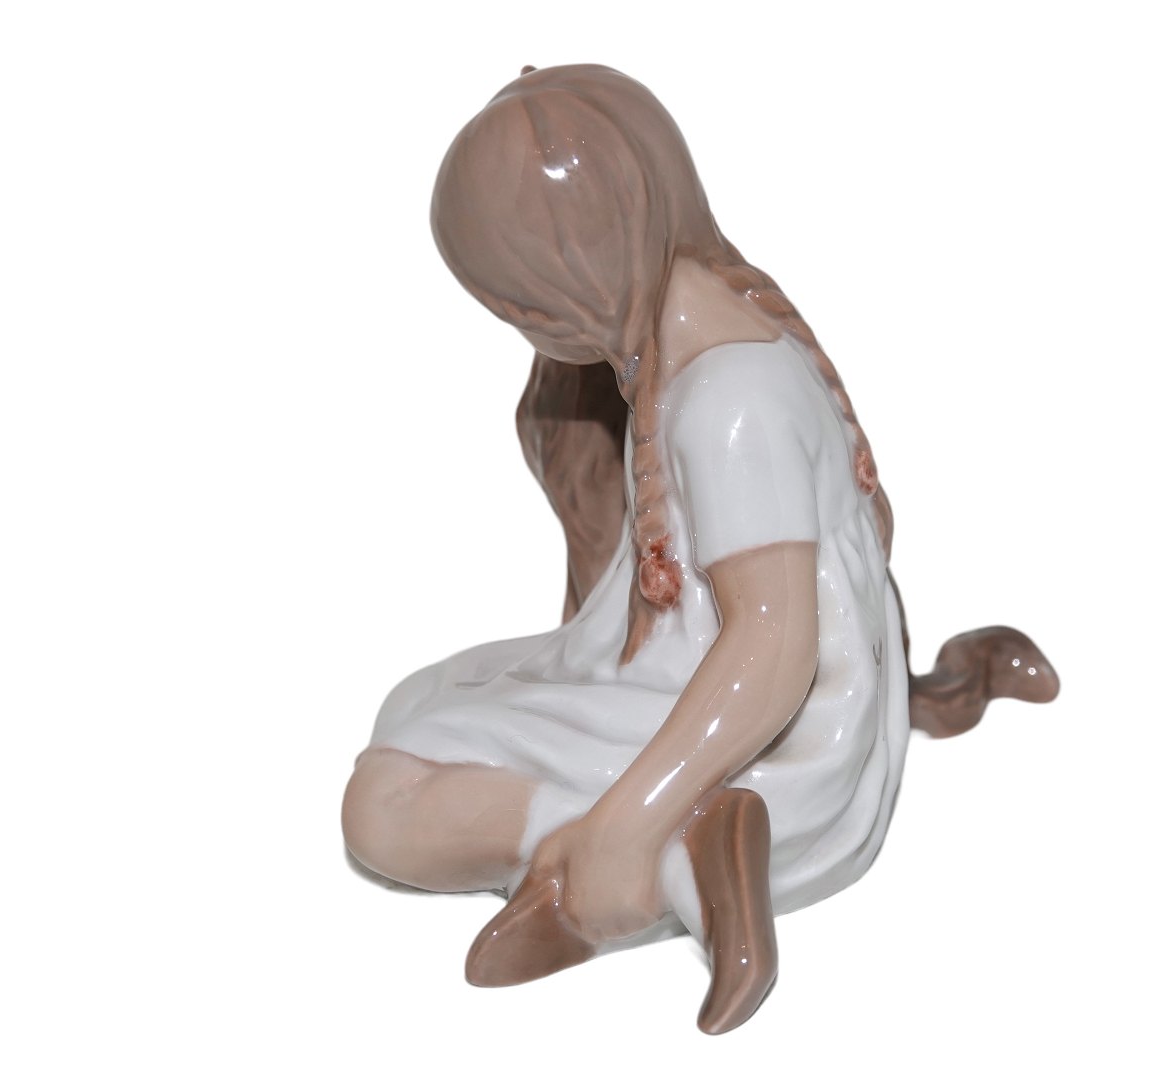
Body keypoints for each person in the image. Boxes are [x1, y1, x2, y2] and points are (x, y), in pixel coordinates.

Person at [341, 63, 1058, 1035]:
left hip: (766, 716)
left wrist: (630, 816)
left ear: (569, 283)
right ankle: (677, 850)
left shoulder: (729, 401)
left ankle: (677, 852)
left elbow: (774, 649)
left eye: (521, 312)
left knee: (382, 810)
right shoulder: (686, 342)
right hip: (686, 659)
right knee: (411, 706)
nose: (526, 334)